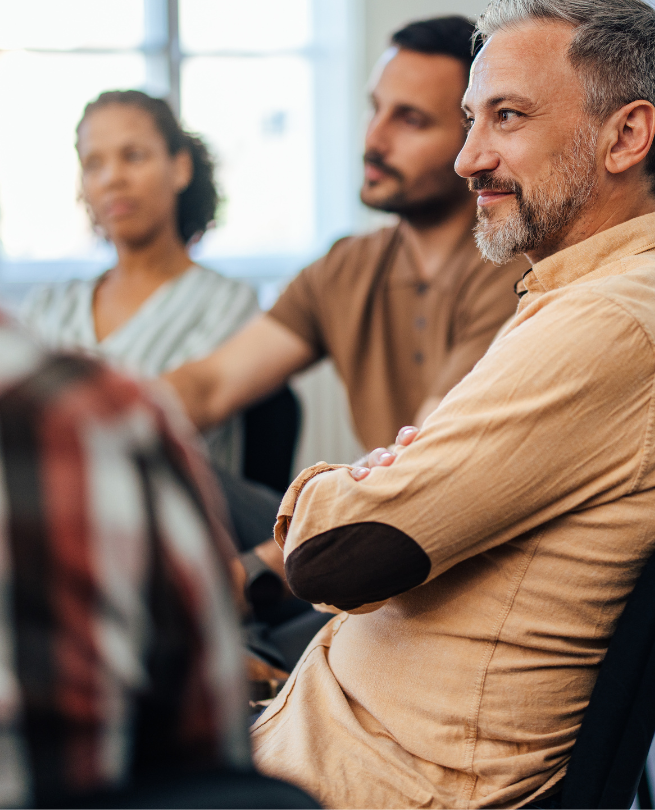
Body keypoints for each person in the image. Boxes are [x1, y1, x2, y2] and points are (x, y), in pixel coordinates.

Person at [250, 1, 655, 807]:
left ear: (626, 137)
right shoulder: (615, 297)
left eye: (507, 117)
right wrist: (386, 475)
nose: (468, 159)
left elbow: (338, 554)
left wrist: (343, 485)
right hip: (345, 733)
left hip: (366, 777)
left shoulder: (609, 324)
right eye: (468, 121)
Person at [165, 15, 523, 586]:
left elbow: (413, 476)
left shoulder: (511, 276)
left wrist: (248, 577)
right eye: (374, 109)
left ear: (472, 139)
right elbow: (209, 387)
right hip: (347, 530)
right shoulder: (347, 266)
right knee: (163, 463)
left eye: (409, 120)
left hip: (428, 560)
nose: (373, 140)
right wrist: (92, 424)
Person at [0, 269, 250, 807]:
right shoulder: (100, 421)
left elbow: (208, 390)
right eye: (95, 174)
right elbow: (212, 776)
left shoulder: (221, 301)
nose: (113, 181)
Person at [21, 90, 258, 474]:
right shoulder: (47, 306)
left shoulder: (228, 303)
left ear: (180, 168)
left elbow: (172, 429)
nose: (113, 178)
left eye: (133, 156)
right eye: (94, 164)